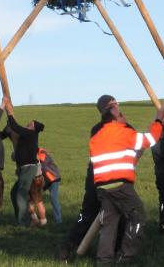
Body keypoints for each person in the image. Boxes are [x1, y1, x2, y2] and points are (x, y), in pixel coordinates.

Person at [89, 98, 164, 264]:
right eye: (120, 113)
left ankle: (103, 261)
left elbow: (117, 156)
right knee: (138, 217)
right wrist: (159, 120)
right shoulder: (121, 132)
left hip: (103, 188)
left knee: (108, 225)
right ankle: (126, 257)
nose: (125, 117)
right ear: (114, 118)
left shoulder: (97, 137)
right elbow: (150, 140)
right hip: (120, 186)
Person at [57, 95, 121, 260]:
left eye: (117, 103)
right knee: (87, 216)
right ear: (106, 109)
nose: (118, 107)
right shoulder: (98, 129)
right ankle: (67, 248)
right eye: (114, 105)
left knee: (121, 216)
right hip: (97, 180)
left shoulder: (122, 125)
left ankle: (116, 253)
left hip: (116, 178)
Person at [3, 99, 45, 227]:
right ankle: (24, 218)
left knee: (21, 194)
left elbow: (16, 127)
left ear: (33, 128)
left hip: (28, 168)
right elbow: (13, 131)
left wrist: (9, 112)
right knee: (14, 192)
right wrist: (8, 122)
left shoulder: (31, 134)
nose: (28, 123)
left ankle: (24, 222)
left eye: (30, 123)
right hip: (24, 168)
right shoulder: (26, 136)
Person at [36, 147, 62, 224]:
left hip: (53, 178)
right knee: (34, 196)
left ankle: (58, 220)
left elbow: (42, 163)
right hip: (46, 180)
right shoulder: (39, 152)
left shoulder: (42, 152)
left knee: (53, 197)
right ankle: (36, 217)